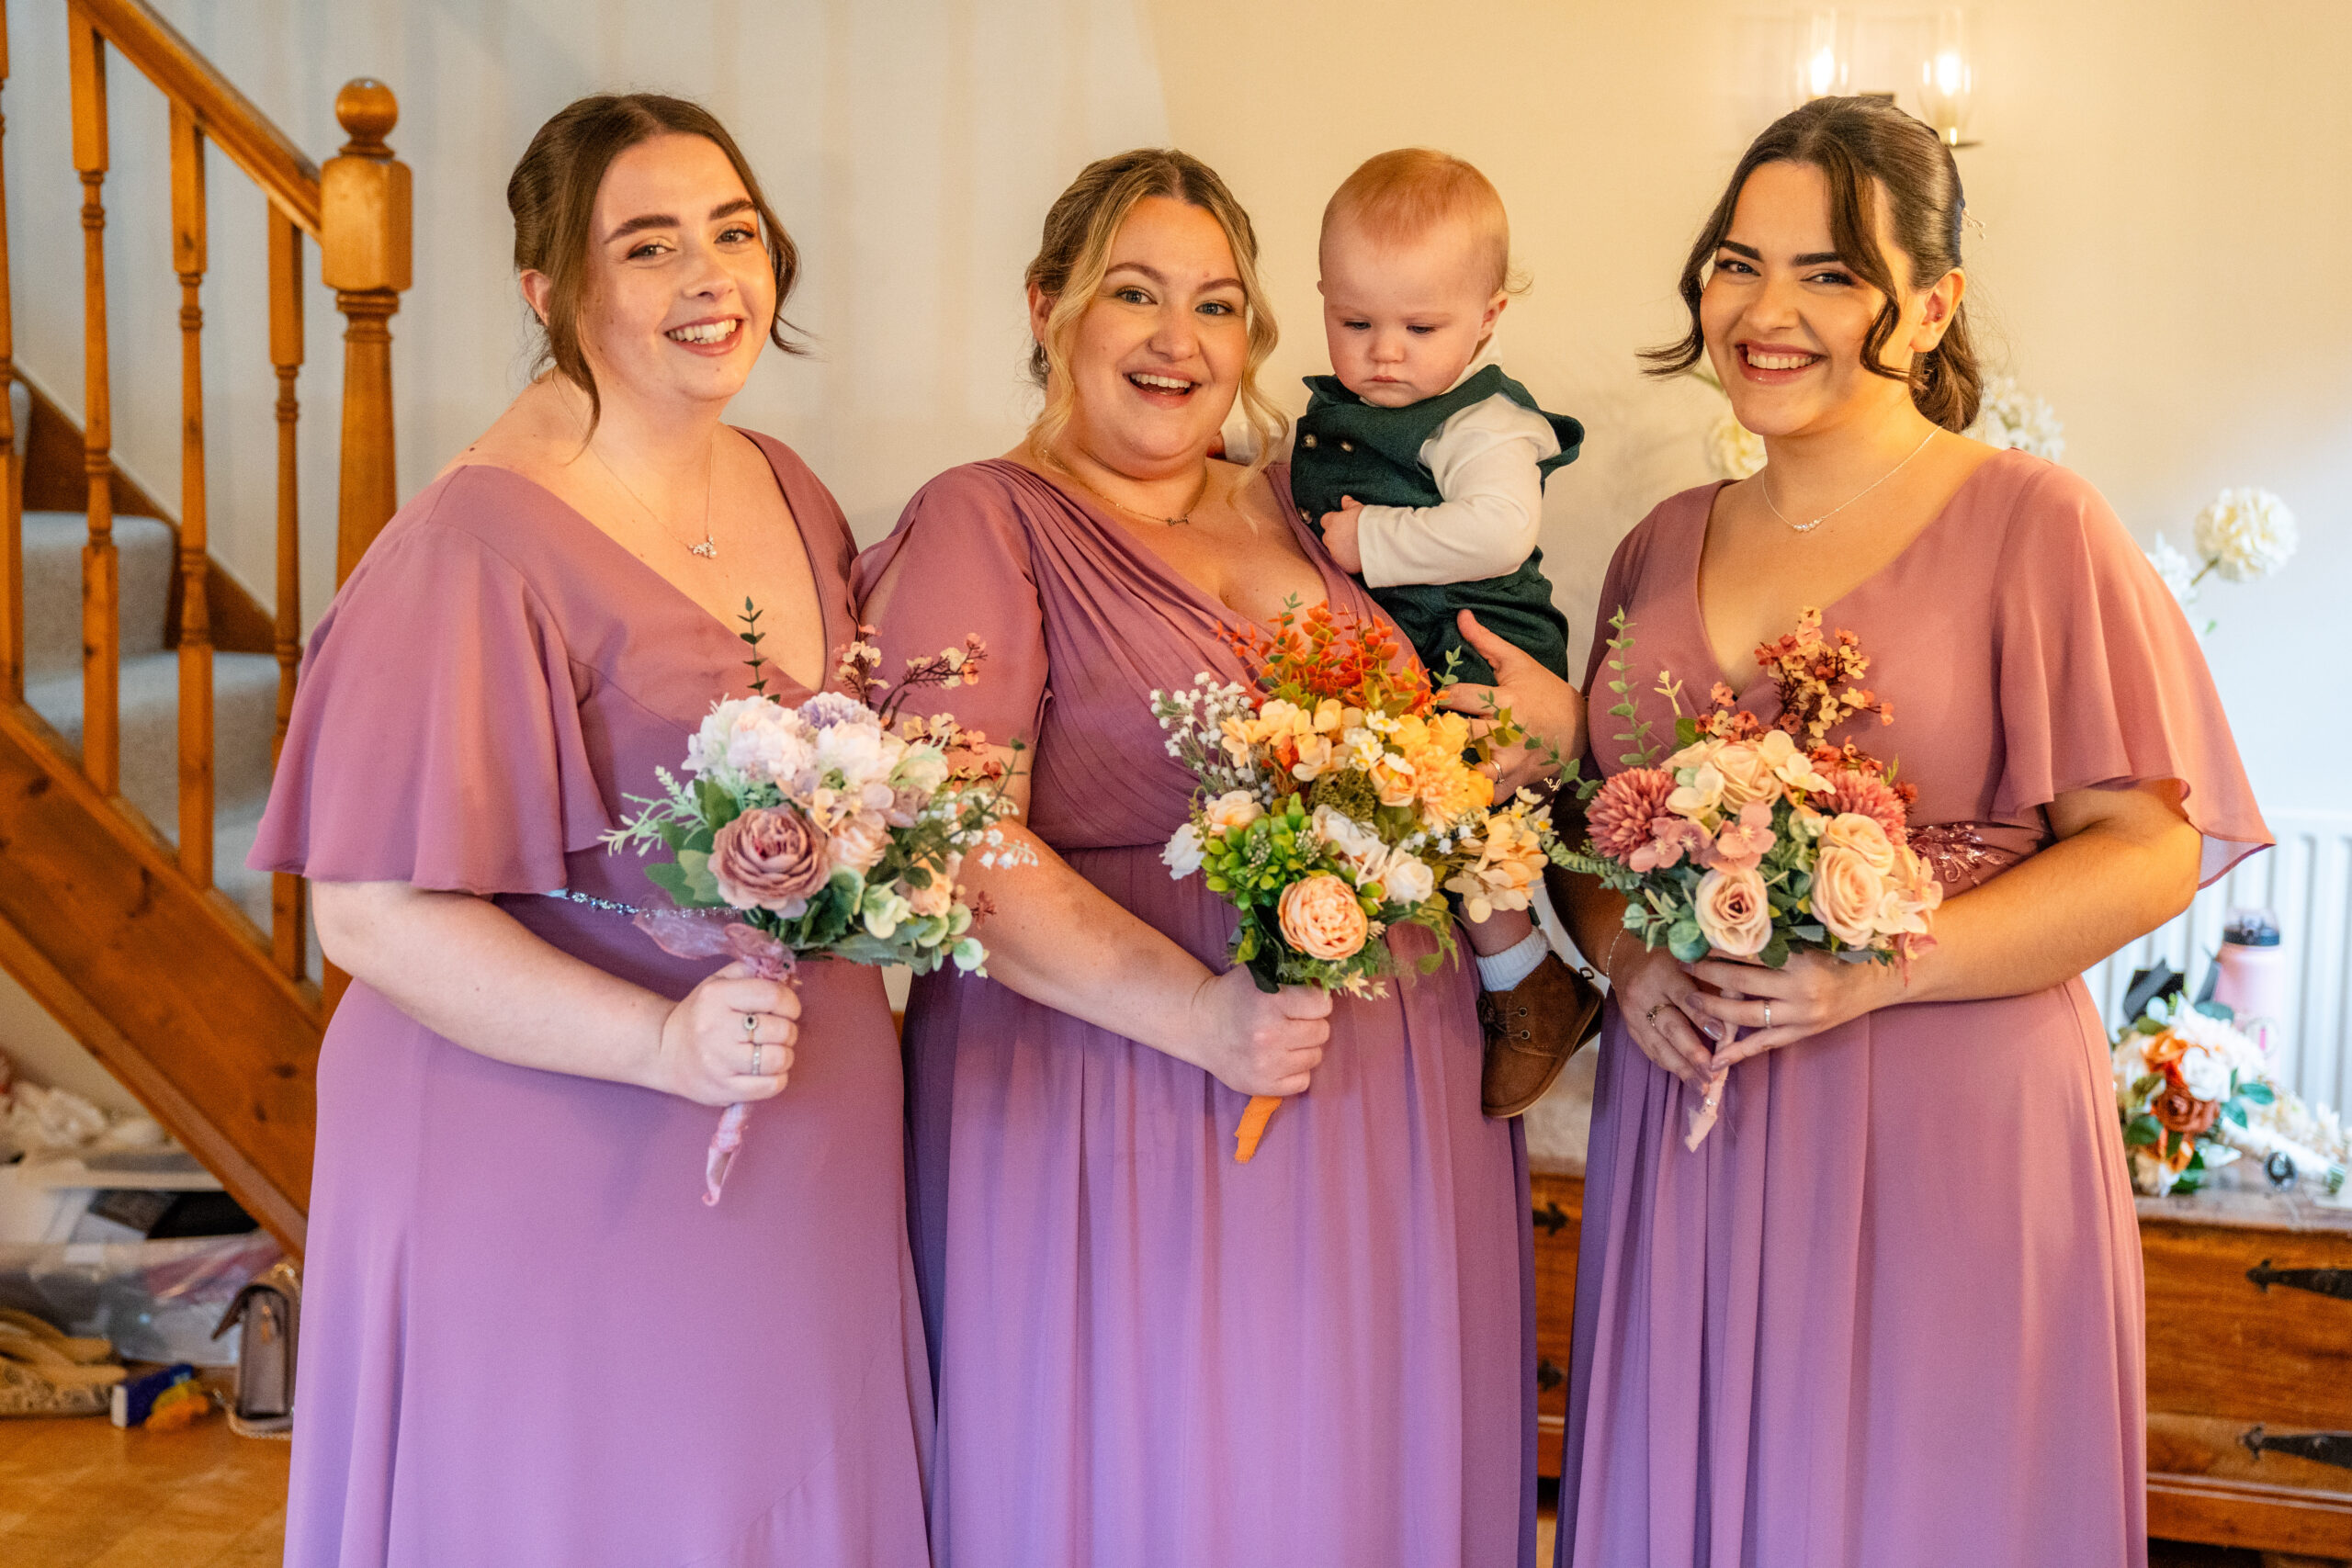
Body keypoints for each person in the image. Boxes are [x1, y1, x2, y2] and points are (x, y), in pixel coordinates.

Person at [1548, 96, 2271, 1568]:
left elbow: (2143, 846)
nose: (1766, 310)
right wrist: (1630, 964)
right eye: (1737, 262)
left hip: (1953, 1124)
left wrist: (1880, 967)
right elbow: (1592, 834)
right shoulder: (1655, 541)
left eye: (1830, 273)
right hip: (1696, 1130)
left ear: (1929, 304)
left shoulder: (2035, 523)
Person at [854, 148, 1583, 1568]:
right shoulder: (982, 518)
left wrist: (1540, 734)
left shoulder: (1311, 510)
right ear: (1049, 304)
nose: (1180, 340)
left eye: (1218, 303)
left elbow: (1464, 709)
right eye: (1135, 293)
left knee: (1366, 1482)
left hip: (1398, 1097)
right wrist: (1203, 1016)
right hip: (1116, 1096)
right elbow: (951, 844)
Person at [251, 96, 930, 1566]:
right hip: (557, 1143)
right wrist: (660, 1046)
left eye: (734, 232)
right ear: (549, 293)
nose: (711, 277)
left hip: (799, 1118)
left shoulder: (790, 486)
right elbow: (367, 912)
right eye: (649, 245)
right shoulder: (475, 542)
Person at [1295, 147, 1600, 1113]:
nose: (1385, 352)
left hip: (1477, 645)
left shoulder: (1484, 426)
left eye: (1420, 326)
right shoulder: (1351, 409)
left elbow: (1500, 526)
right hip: (1411, 642)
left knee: (1454, 806)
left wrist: (1369, 538)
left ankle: (1528, 982)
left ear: (1487, 318)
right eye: (1354, 322)